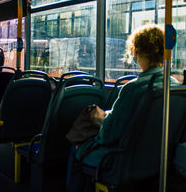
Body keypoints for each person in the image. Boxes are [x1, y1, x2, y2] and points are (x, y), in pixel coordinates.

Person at [74, 24, 176, 167]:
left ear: (136, 51)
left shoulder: (133, 88)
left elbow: (107, 136)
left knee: (78, 148)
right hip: (160, 157)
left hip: (126, 158)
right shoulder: (174, 85)